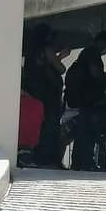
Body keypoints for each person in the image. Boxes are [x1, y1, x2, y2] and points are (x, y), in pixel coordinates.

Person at [22, 24, 69, 167]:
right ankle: (50, 159)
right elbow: (60, 68)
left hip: (36, 93)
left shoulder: (31, 53)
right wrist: (61, 56)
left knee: (40, 127)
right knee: (51, 127)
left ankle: (38, 157)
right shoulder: (46, 50)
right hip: (49, 95)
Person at [64, 47, 106, 171]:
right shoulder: (93, 59)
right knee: (89, 134)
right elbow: (96, 74)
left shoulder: (77, 65)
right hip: (90, 103)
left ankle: (78, 163)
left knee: (82, 133)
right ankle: (87, 162)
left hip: (80, 103)